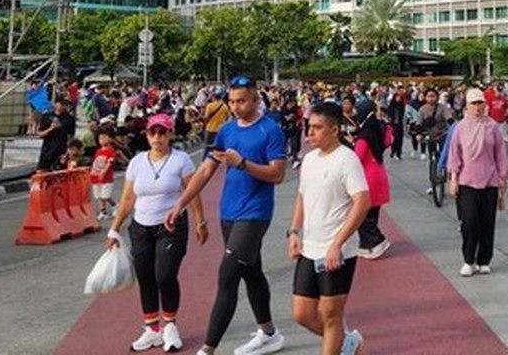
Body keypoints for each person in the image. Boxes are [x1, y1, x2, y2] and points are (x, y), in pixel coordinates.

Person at [166, 76, 288, 355]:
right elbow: (206, 170)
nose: (236, 106)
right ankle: (269, 332)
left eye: (241, 101)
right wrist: (180, 204)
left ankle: (208, 349)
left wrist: (242, 163)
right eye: (232, 101)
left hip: (255, 213)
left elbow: (278, 174)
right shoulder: (226, 130)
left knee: (228, 276)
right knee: (251, 271)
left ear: (256, 100)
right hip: (228, 213)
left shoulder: (270, 130)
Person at [106, 113, 206, 353]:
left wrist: (200, 221)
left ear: (170, 134)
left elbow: (191, 192)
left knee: (165, 275)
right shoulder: (137, 162)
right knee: (146, 277)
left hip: (170, 226)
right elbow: (128, 198)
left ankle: (170, 325)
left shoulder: (181, 160)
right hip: (141, 226)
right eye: (153, 132)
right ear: (147, 135)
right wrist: (114, 229)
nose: (157, 137)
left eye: (163, 132)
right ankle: (152, 329)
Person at [286, 101, 370, 355]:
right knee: (302, 314)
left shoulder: (347, 159)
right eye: (308, 127)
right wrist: (293, 232)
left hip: (337, 252)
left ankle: (338, 344)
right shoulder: (309, 159)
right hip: (309, 248)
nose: (309, 133)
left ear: (334, 130)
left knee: (331, 315)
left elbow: (362, 201)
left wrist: (337, 243)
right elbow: (302, 196)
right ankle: (348, 342)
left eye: (316, 128)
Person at [447, 87, 508, 276]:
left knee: (487, 222)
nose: (477, 107)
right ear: (467, 105)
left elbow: (500, 154)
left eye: (480, 103)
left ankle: (484, 260)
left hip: (489, 180)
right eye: (473, 103)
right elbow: (455, 154)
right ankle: (468, 259)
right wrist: (453, 179)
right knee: (470, 220)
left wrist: (502, 177)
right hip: (467, 181)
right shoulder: (461, 127)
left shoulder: (492, 126)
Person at [343, 95, 391, 259]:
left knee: (361, 215)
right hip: (378, 174)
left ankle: (377, 241)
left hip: (368, 178)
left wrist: (351, 144)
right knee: (371, 215)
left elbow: (357, 157)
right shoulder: (376, 129)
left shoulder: (364, 136)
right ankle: (367, 245)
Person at [36, 99, 71, 172]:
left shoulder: (69, 118)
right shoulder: (47, 116)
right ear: (56, 105)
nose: (64, 107)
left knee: (58, 173)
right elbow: (40, 135)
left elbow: (71, 137)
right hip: (47, 150)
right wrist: (51, 128)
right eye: (62, 104)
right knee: (41, 172)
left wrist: (67, 153)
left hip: (61, 151)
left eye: (66, 105)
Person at [91, 130, 119, 219]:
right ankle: (103, 212)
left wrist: (104, 171)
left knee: (105, 196)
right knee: (99, 196)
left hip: (107, 178)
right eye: (100, 138)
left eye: (104, 137)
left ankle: (115, 205)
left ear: (109, 139)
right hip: (96, 177)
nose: (102, 140)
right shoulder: (98, 151)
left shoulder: (111, 150)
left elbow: (110, 162)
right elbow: (95, 163)